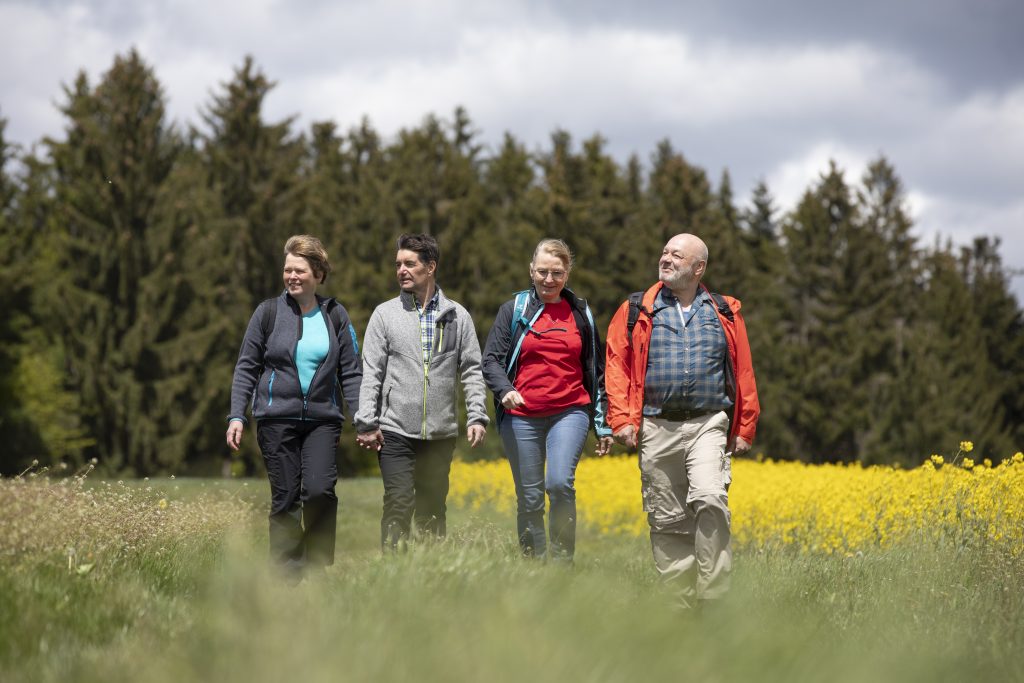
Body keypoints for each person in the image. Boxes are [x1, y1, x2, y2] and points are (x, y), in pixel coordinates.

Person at [605, 233, 759, 607]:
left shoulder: (724, 311)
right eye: (665, 252)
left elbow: (743, 370)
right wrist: (621, 419)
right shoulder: (635, 309)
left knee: (710, 497)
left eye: (677, 255)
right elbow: (616, 365)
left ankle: (714, 600)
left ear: (698, 267)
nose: (666, 258)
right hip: (656, 425)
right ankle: (679, 608)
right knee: (668, 519)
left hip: (708, 422)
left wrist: (745, 425)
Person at [227, 235, 363, 576]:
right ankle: (286, 574)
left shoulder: (335, 315)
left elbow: (351, 371)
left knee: (319, 490)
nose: (292, 276)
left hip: (322, 420)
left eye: (299, 270)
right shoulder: (268, 313)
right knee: (285, 497)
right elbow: (246, 367)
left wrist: (363, 418)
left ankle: (315, 566)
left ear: (318, 273)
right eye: (287, 269)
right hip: (275, 419)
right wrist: (236, 415)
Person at [354, 233, 489, 550]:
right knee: (399, 502)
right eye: (398, 264)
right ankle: (393, 569)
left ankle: (430, 571)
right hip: (394, 429)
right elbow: (371, 371)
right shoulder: (384, 315)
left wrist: (477, 416)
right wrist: (367, 421)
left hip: (441, 433)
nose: (401, 270)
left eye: (409, 264)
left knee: (433, 509)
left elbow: (472, 369)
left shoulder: (457, 315)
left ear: (430, 267)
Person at [482, 238, 614, 560]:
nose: (549, 279)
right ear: (531, 271)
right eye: (542, 272)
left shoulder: (580, 313)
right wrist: (504, 390)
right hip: (521, 415)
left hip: (570, 411)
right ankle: (533, 566)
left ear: (567, 274)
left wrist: (604, 423)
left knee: (558, 483)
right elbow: (491, 361)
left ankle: (561, 565)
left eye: (557, 273)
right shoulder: (513, 310)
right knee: (529, 498)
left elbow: (597, 370)